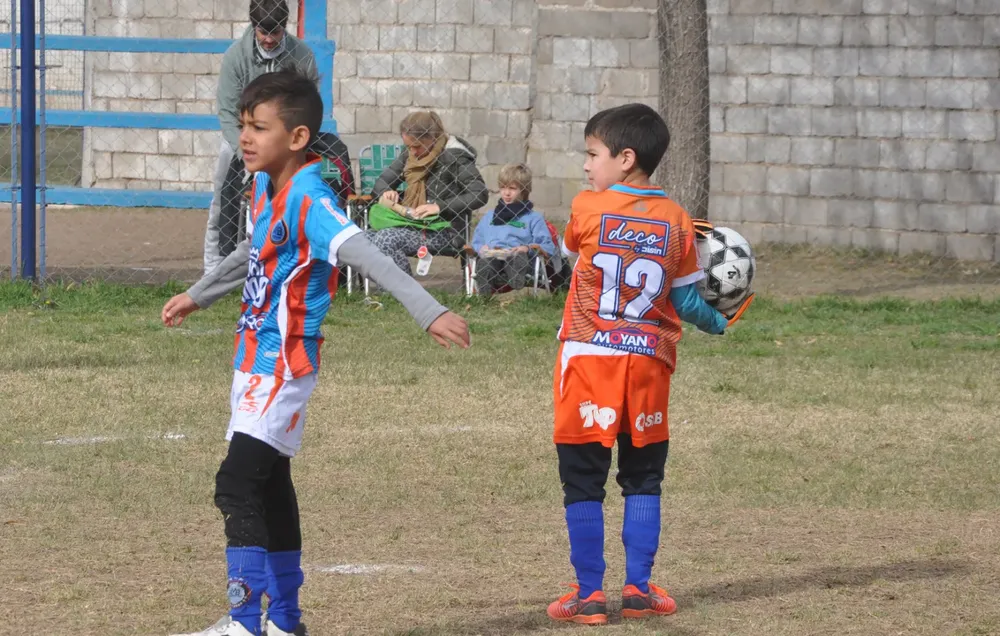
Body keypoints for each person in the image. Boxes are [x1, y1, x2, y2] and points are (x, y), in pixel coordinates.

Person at [162, 72, 470, 636]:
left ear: (298, 136)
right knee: (269, 485)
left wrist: (429, 311)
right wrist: (198, 294)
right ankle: (284, 622)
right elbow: (253, 249)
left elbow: (369, 256)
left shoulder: (312, 198)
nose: (245, 138)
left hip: (283, 365)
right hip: (254, 360)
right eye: (243, 126)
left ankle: (244, 623)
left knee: (236, 485)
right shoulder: (265, 185)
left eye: (259, 128)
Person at [546, 103, 753, 625]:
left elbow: (573, 252)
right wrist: (720, 321)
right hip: (647, 364)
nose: (586, 165)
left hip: (589, 359)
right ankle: (638, 589)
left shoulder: (587, 207)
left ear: (625, 158)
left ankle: (589, 595)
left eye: (593, 154)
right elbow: (685, 302)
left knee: (582, 480)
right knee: (642, 479)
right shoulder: (678, 219)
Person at [204, 0, 354, 273]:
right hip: (243, 136)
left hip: (286, 137)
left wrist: (289, 145)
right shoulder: (235, 57)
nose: (270, 39)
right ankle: (214, 268)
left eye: (276, 32)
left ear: (285, 26)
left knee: (322, 165)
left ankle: (313, 255)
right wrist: (245, 150)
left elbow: (309, 105)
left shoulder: (302, 55)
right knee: (221, 197)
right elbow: (227, 112)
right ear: (253, 26)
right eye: (264, 32)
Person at [365, 111, 488, 277]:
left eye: (416, 146)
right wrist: (386, 191)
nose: (412, 151)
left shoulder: (455, 157)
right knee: (364, 238)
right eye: (408, 146)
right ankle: (390, 289)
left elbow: (479, 194)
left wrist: (439, 206)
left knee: (386, 238)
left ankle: (404, 289)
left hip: (444, 229)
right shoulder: (410, 155)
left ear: (432, 138)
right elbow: (382, 181)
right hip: (412, 222)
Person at [471, 163, 556, 297]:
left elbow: (548, 246)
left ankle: (516, 281)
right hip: (493, 257)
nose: (506, 193)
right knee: (486, 263)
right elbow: (477, 241)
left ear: (524, 190)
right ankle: (484, 295)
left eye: (512, 188)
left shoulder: (533, 218)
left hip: (521, 259)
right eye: (503, 187)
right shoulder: (489, 217)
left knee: (517, 258)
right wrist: (481, 248)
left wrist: (527, 248)